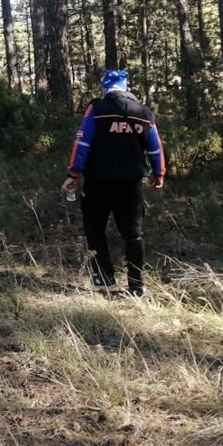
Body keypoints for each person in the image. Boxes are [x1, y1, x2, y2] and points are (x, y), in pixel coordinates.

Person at [60, 70, 165, 296]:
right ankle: (137, 286)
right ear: (126, 86)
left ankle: (103, 279)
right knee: (133, 234)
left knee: (95, 228)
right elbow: (155, 146)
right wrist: (159, 173)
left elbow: (83, 143)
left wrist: (73, 174)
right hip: (131, 184)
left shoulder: (96, 109)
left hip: (98, 182)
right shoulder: (144, 113)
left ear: (105, 88)